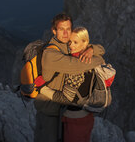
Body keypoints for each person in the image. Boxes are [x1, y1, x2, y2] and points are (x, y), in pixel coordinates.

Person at [34, 13, 105, 142]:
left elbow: (101, 48)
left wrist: (91, 50)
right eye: (61, 29)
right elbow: (78, 66)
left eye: (68, 29)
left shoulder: (68, 45)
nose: (66, 33)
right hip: (48, 111)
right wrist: (98, 59)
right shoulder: (51, 54)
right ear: (54, 31)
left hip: (61, 110)